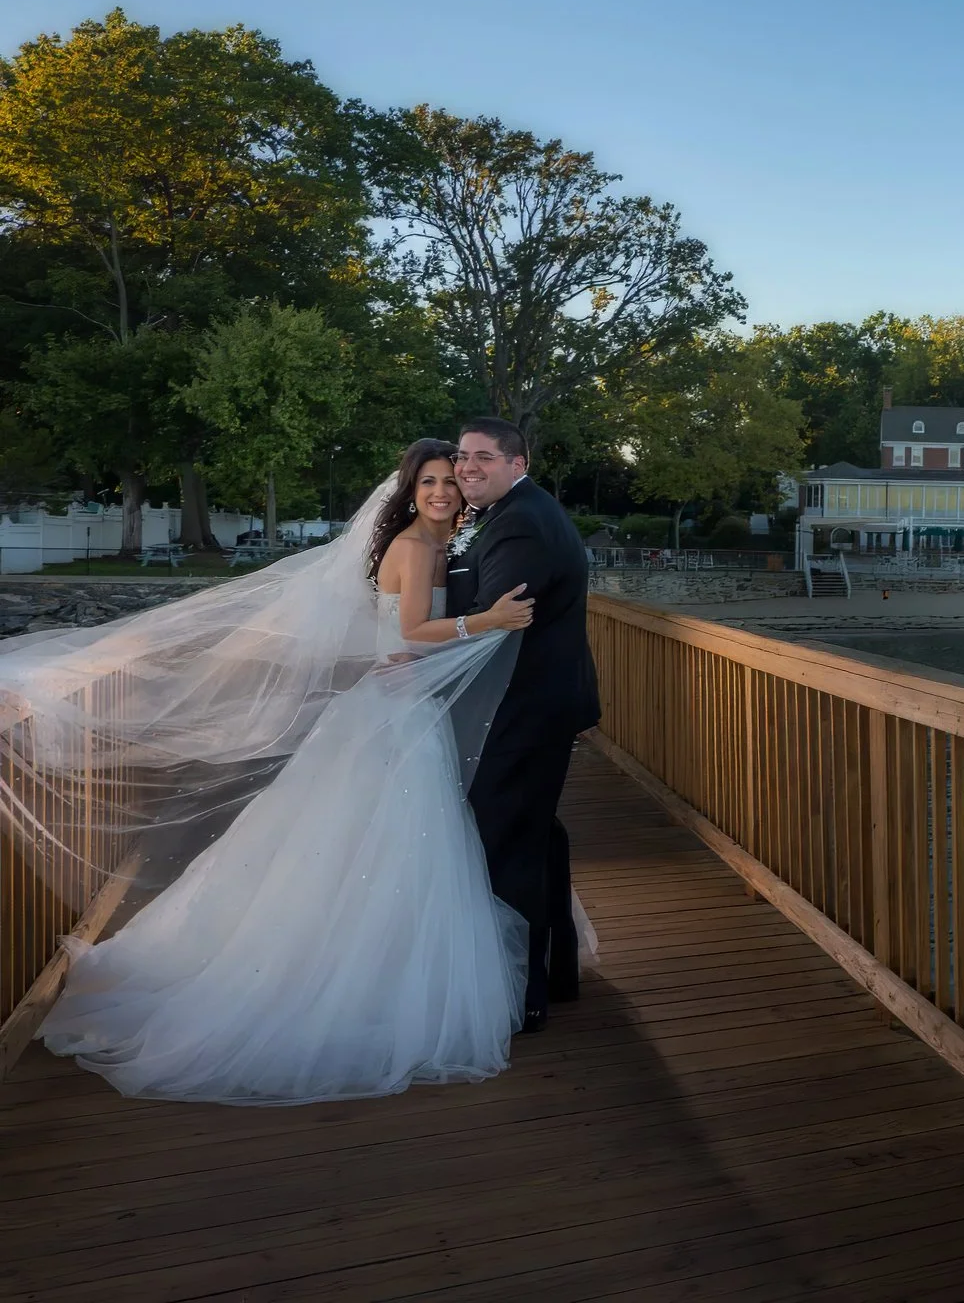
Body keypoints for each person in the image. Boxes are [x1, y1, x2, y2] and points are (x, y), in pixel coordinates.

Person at [12, 441, 558, 1104]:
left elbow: (395, 638)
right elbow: (413, 628)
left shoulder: (435, 546)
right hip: (395, 722)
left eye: (451, 482)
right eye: (430, 482)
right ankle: (348, 982)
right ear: (409, 491)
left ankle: (376, 973)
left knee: (375, 851)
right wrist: (490, 620)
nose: (443, 491)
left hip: (397, 710)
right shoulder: (415, 549)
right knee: (391, 846)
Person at [444, 418, 601, 1033]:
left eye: (484, 457)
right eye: (463, 456)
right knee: (537, 836)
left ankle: (519, 994)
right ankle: (555, 973)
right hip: (526, 705)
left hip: (524, 708)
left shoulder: (522, 522)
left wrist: (419, 653)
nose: (467, 467)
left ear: (517, 461)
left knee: (507, 842)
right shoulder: (504, 513)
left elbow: (494, 622)